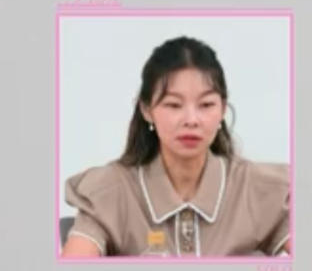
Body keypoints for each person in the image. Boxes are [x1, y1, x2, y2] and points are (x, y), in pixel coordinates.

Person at [61, 36, 291, 258]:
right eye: (173, 105)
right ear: (147, 110)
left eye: (206, 104)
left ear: (222, 109)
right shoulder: (109, 194)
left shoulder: (262, 190)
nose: (191, 120)